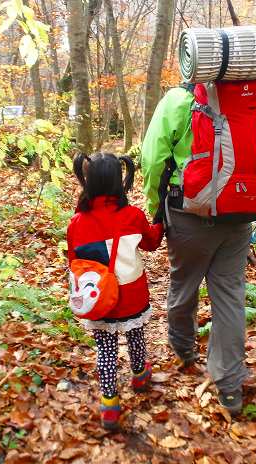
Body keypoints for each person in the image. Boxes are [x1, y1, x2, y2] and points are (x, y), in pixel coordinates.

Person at [141, 85, 253, 415]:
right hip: (238, 215)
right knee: (231, 297)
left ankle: (183, 349)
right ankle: (230, 388)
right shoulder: (248, 98)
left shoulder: (179, 100)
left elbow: (153, 159)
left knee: (184, 283)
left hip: (188, 212)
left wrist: (156, 210)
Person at [67, 152, 164, 430]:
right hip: (132, 295)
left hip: (99, 297)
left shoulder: (77, 223)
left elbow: (74, 262)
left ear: (89, 181)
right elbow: (151, 243)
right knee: (135, 334)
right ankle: (140, 375)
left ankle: (109, 404)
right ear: (119, 181)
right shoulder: (133, 216)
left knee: (105, 349)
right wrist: (160, 222)